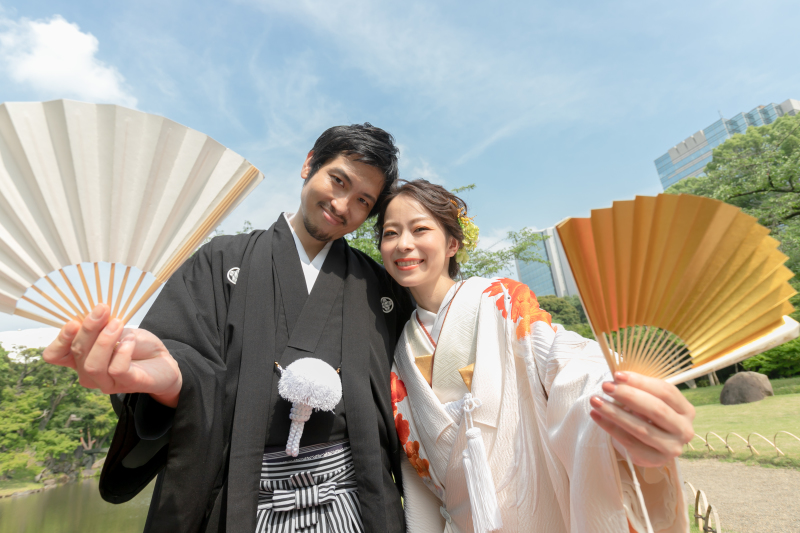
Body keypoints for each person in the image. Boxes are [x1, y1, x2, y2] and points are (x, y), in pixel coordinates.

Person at [41, 124, 415, 533]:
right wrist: (171, 384)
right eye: (337, 180)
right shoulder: (219, 260)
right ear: (310, 164)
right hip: (242, 500)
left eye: (363, 200)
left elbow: (409, 394)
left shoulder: (377, 287)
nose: (343, 205)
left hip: (352, 501)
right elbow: (179, 356)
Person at [376, 179, 695, 532]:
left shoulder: (503, 300)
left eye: (420, 229)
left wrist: (616, 394)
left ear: (452, 243)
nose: (404, 244)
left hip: (538, 510)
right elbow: (416, 475)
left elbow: (563, 361)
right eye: (391, 233)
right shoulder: (400, 350)